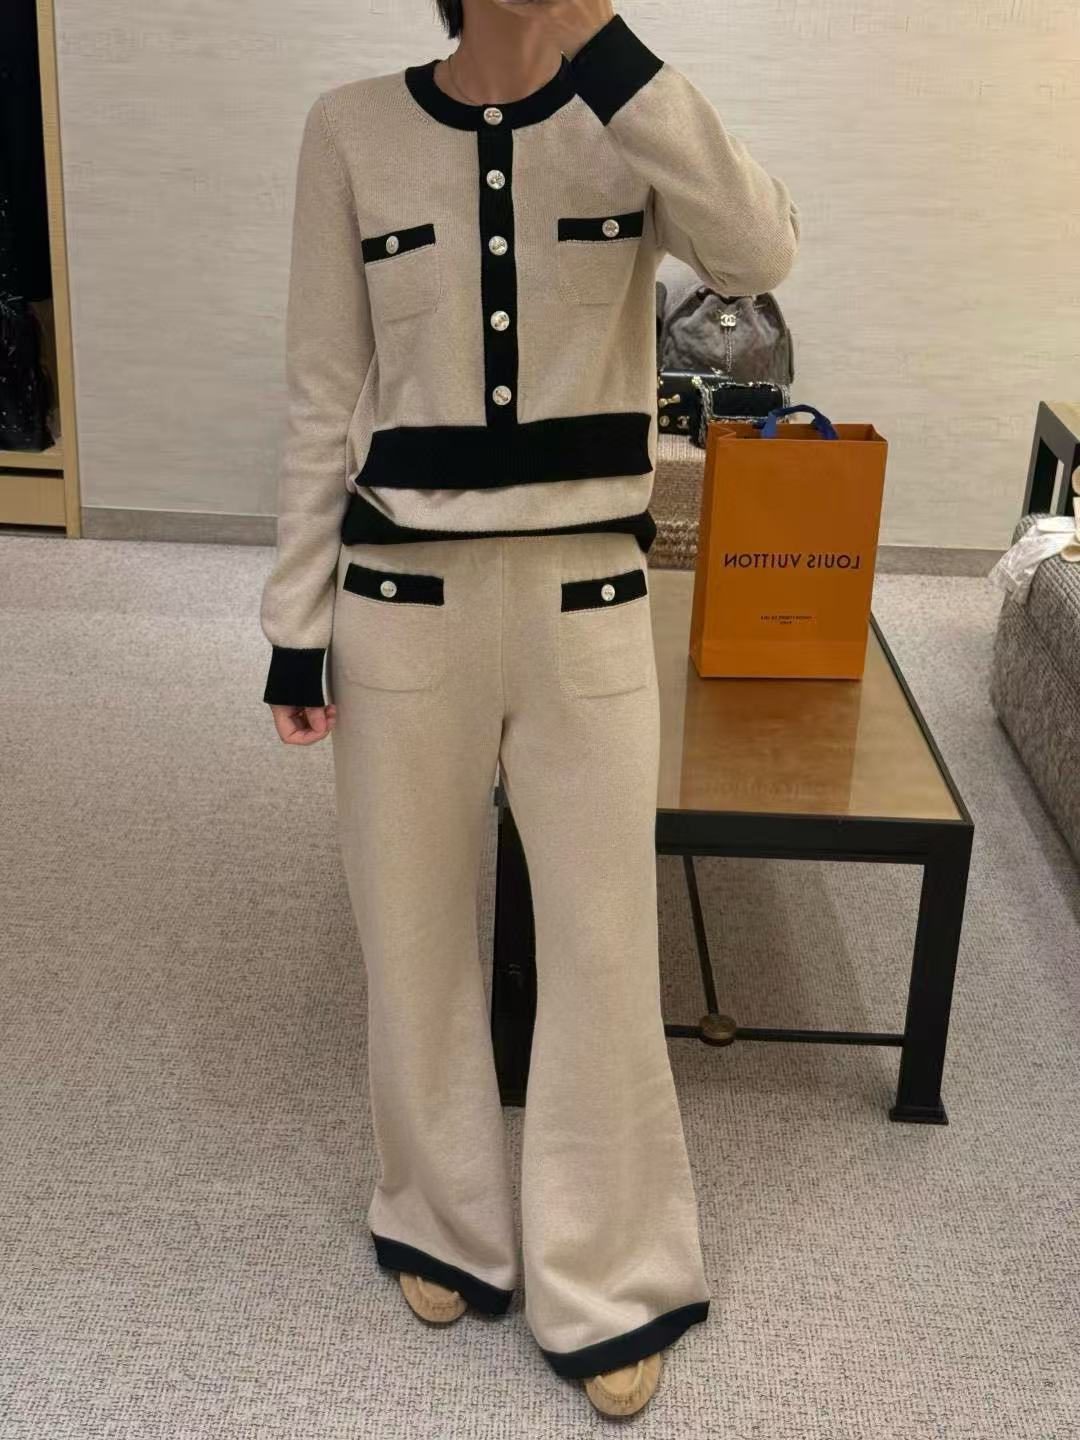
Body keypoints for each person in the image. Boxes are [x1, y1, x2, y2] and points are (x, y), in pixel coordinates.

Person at [259, 0, 798, 1417]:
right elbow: (322, 388)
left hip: (587, 605)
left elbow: (758, 254)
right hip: (402, 604)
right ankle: (440, 1216)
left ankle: (608, 1267)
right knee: (413, 928)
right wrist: (294, 627)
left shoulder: (631, 118)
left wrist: (606, 43)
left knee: (606, 943)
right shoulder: (351, 131)